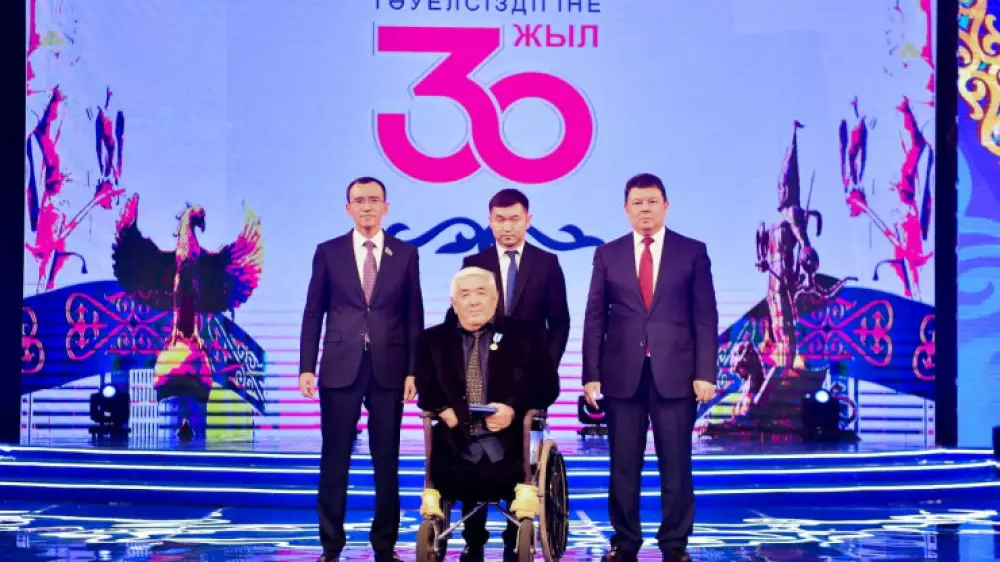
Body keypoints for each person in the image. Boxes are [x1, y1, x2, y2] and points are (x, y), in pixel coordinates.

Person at [582, 173, 719, 562]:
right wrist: (591, 374)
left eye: (652, 201)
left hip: (677, 375)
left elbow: (705, 316)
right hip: (621, 374)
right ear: (626, 209)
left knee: (675, 464)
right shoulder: (607, 254)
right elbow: (595, 317)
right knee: (623, 465)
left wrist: (705, 372)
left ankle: (674, 543)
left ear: (666, 206)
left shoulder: (692, 252)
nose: (645, 209)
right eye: (637, 203)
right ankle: (625, 541)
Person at [298, 176, 424, 562]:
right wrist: (306, 367)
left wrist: (413, 371)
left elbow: (414, 317)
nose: (366, 207)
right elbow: (313, 311)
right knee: (335, 458)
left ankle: (384, 545)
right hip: (339, 367)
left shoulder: (406, 254)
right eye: (359, 200)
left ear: (386, 207)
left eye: (373, 200)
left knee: (386, 459)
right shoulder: (328, 252)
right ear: (348, 208)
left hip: (390, 368)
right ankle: (330, 545)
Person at [416, 267, 560, 562]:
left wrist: (514, 410)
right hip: (455, 445)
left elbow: (547, 386)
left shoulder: (526, 335)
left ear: (495, 299)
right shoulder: (433, 340)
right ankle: (472, 542)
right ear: (453, 302)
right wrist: (444, 409)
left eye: (481, 293)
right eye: (465, 294)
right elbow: (426, 389)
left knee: (508, 465)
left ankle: (513, 538)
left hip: (511, 446)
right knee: (457, 461)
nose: (473, 301)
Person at [450, 189, 570, 365]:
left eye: (514, 219)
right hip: (484, 367)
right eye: (500, 220)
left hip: (533, 366)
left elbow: (559, 322)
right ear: (490, 221)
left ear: (528, 221)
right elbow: (456, 318)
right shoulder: (474, 263)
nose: (507, 227)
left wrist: (547, 366)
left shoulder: (547, 263)